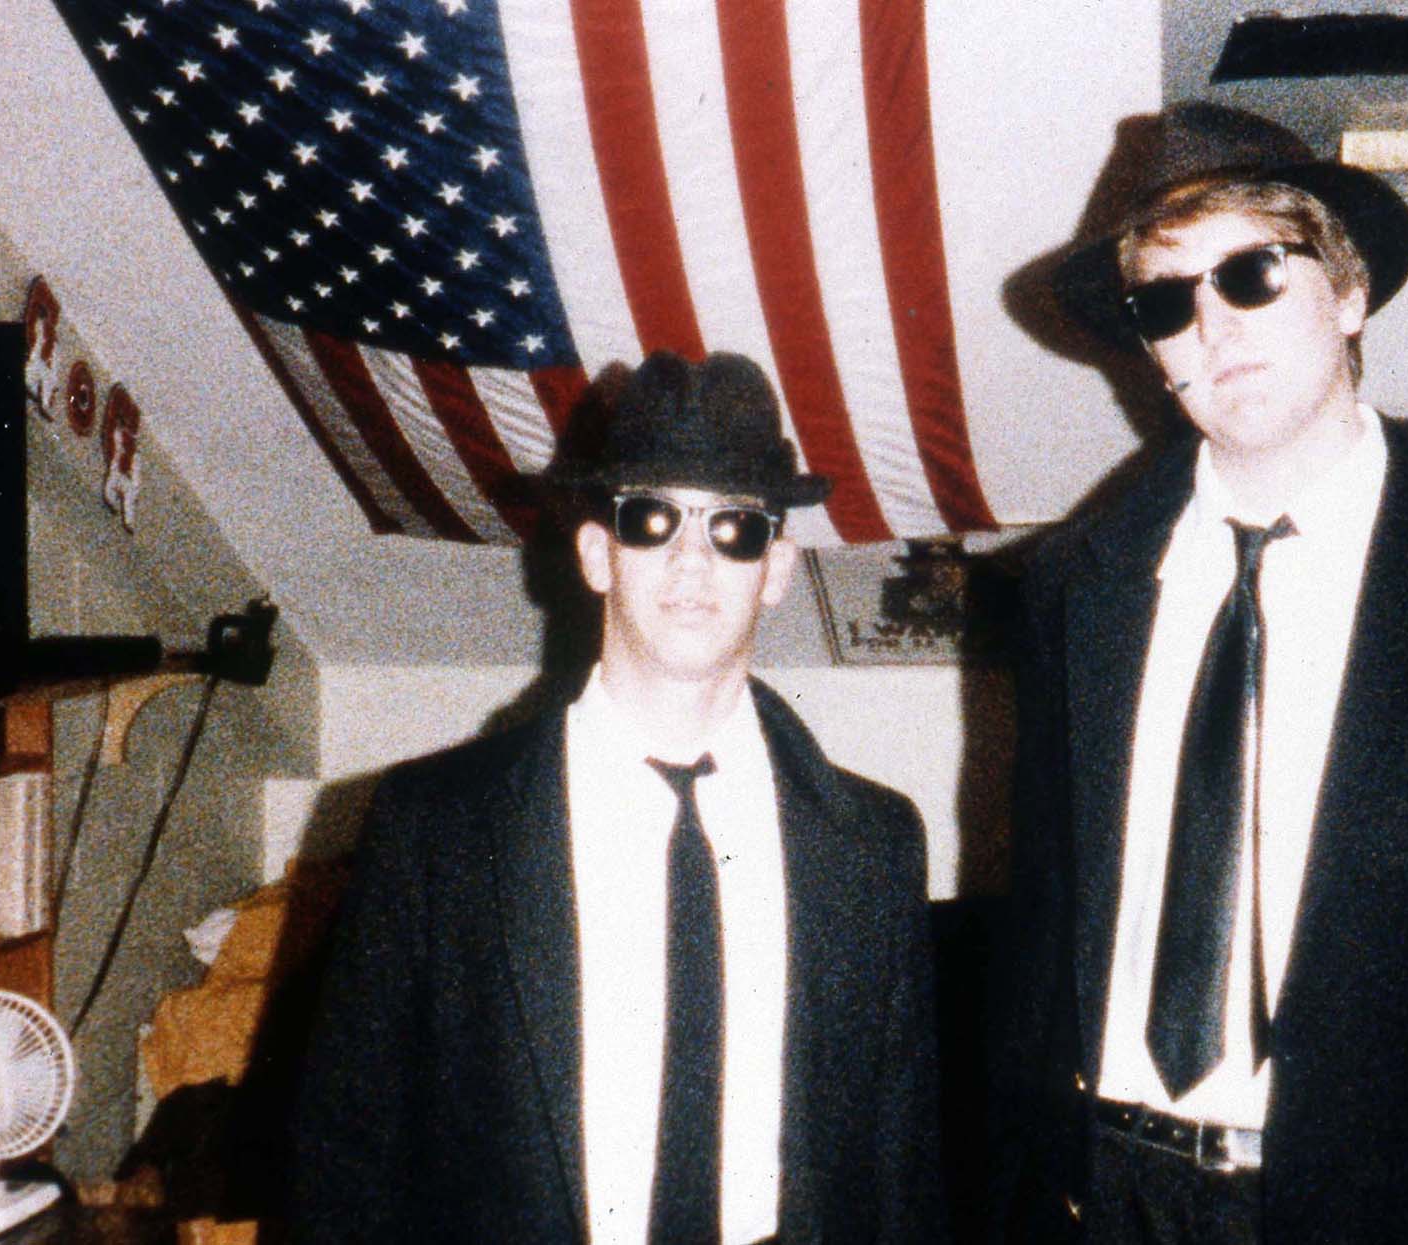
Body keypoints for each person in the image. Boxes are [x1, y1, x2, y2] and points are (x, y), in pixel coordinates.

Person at [985, 102, 1408, 1243]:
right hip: (1109, 1198)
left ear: (1346, 292)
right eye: (1167, 302)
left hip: (1391, 1212)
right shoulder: (1073, 584)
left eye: (1250, 274)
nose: (1212, 326)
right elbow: (1040, 942)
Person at [291, 350, 947, 1244]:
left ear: (778, 568)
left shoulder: (872, 845)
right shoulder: (437, 827)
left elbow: (902, 1176)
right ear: (598, 553)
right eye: (652, 518)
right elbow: (344, 1164)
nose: (691, 557)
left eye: (734, 526)